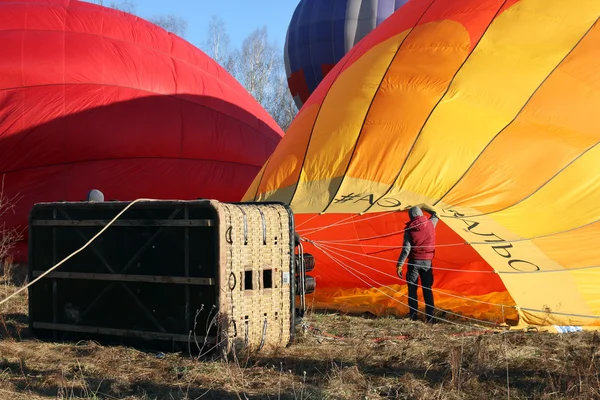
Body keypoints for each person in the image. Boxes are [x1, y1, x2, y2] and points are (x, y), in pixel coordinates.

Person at [396, 205, 438, 323]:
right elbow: (436, 214)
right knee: (427, 289)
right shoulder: (431, 223)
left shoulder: (409, 229)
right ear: (421, 213)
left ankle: (413, 316)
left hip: (414, 262)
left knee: (412, 289)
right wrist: (425, 206)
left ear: (410, 216)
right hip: (427, 262)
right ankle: (430, 317)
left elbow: (406, 250)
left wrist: (399, 264)